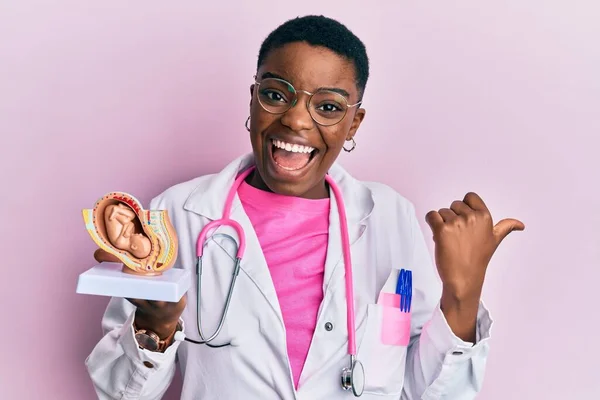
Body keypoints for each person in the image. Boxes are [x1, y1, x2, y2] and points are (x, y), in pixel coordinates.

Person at [85, 15, 524, 399]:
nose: (295, 120)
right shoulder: (176, 215)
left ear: (354, 122)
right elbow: (121, 394)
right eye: (277, 95)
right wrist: (155, 328)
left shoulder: (390, 218)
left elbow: (424, 392)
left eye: (328, 106)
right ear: (253, 100)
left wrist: (462, 297)